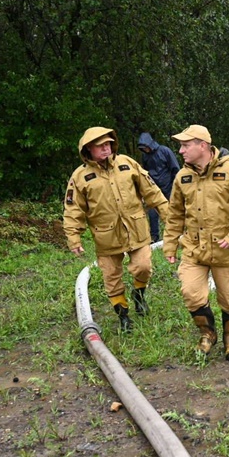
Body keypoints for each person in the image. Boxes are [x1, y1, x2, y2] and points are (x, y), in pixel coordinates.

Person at [162, 125, 229, 361]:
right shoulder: (182, 177)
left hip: (225, 250)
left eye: (186, 145)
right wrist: (169, 244)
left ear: (202, 146)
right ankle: (208, 333)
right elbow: (174, 213)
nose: (181, 150)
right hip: (194, 250)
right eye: (181, 145)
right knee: (191, 293)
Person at [63, 127, 171, 333]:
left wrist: (168, 217)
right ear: (88, 149)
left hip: (136, 230)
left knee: (144, 267)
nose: (106, 148)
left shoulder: (127, 164)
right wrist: (74, 237)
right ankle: (123, 316)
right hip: (107, 237)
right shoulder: (80, 177)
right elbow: (73, 209)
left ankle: (139, 294)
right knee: (112, 278)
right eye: (100, 146)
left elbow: (152, 192)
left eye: (108, 144)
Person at [137, 132, 180, 243]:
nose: (145, 150)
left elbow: (175, 169)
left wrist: (176, 186)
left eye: (146, 147)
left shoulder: (165, 151)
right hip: (154, 190)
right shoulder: (145, 156)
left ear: (150, 144)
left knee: (172, 213)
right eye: (143, 148)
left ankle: (176, 234)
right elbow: (145, 172)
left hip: (169, 188)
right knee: (152, 214)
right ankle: (154, 237)